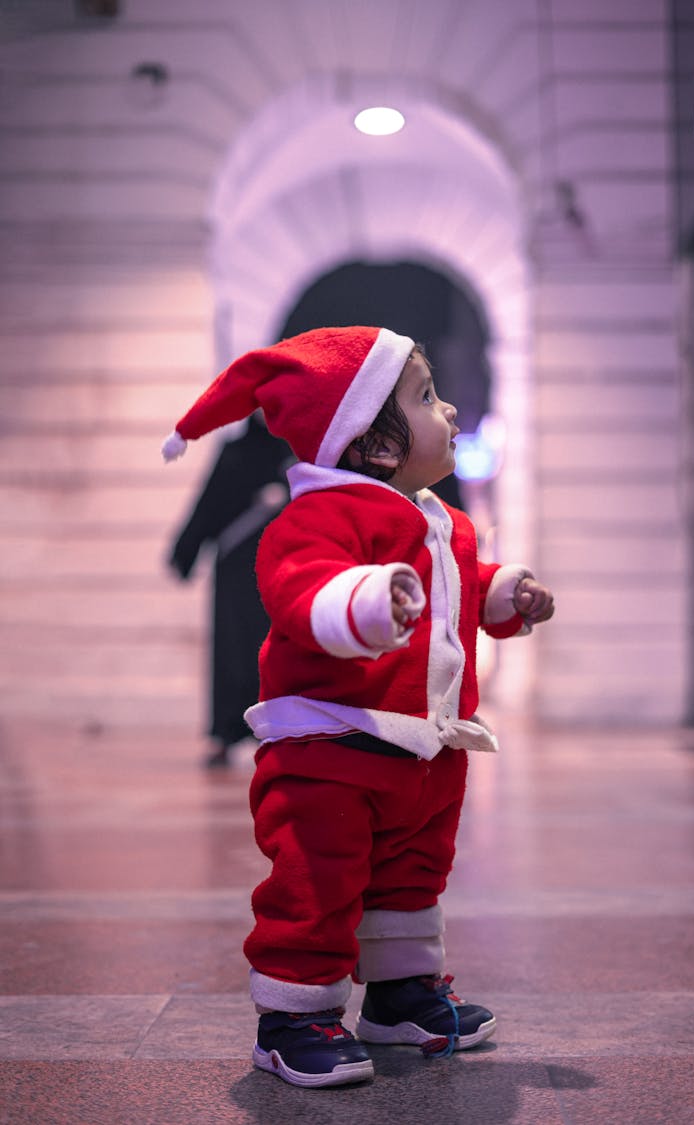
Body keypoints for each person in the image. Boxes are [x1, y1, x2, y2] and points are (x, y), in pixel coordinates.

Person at [161, 325, 554, 1089]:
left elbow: (467, 587)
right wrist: (372, 601)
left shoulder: (443, 520)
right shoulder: (320, 517)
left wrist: (509, 594)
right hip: (331, 753)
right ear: (375, 445)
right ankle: (293, 1018)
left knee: (412, 879)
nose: (448, 413)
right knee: (318, 882)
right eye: (428, 398)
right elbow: (303, 589)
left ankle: (400, 994)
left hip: (424, 747)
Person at [167, 414, 290, 767]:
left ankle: (277, 732)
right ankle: (225, 733)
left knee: (274, 652)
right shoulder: (235, 452)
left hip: (281, 567)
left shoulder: (299, 454)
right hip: (236, 569)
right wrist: (185, 552)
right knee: (232, 651)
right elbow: (210, 502)